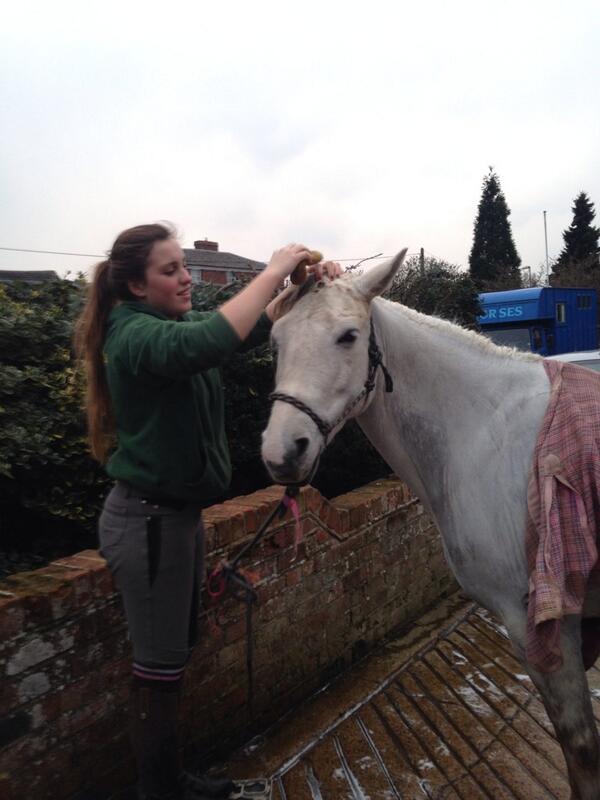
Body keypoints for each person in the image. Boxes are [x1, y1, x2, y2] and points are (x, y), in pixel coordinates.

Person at [74, 222, 341, 800]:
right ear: (136, 286)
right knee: (158, 667)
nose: (186, 279)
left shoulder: (166, 325)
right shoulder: (133, 334)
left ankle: (169, 781)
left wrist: (303, 287)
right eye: (170, 270)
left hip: (173, 519)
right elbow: (207, 343)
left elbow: (245, 328)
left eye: (184, 267)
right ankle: (159, 790)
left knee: (171, 660)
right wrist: (273, 269)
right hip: (148, 523)